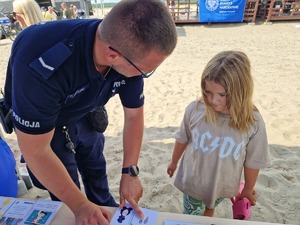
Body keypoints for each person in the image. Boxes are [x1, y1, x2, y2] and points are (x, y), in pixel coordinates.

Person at [4, 1, 177, 225]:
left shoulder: (127, 48)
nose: (144, 75)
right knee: (68, 198)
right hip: (47, 127)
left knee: (96, 167)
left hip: (87, 109)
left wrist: (130, 171)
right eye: (146, 70)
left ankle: (104, 208)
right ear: (112, 55)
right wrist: (80, 206)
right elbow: (35, 150)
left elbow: (134, 115)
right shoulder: (40, 62)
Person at [167, 51, 271, 217]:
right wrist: (174, 161)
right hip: (194, 183)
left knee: (209, 209)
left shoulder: (253, 121)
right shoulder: (195, 109)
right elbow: (183, 137)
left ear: (240, 91)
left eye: (222, 95)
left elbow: (253, 160)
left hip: (223, 185)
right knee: (192, 216)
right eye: (208, 92)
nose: (213, 100)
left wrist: (249, 189)